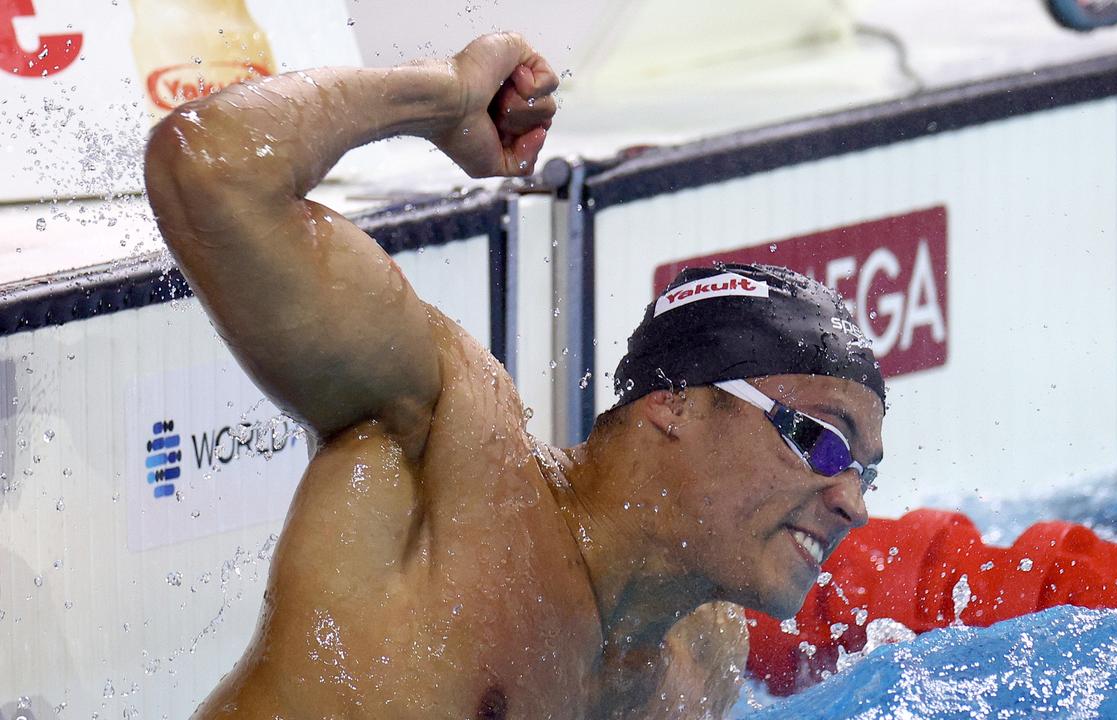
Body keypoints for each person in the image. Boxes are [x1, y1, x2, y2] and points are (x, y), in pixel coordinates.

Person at [144, 31, 885, 719]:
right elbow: (208, 168)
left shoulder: (705, 658)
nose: (852, 502)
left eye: (864, 473)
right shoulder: (446, 448)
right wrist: (440, 98)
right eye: (820, 439)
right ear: (677, 403)